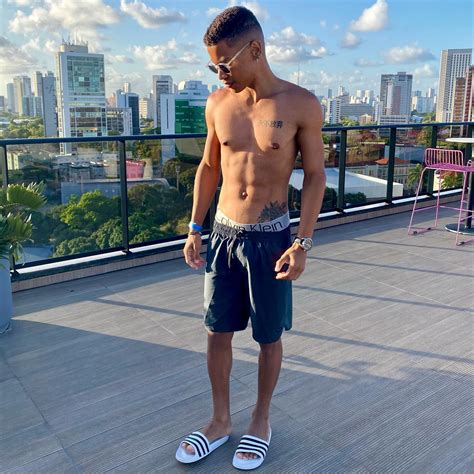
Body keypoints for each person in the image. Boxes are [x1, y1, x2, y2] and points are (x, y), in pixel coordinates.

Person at [175, 6, 326, 470]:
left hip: (272, 239)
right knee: (216, 331)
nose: (220, 74)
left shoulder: (300, 104)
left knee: (268, 336)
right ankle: (220, 421)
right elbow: (209, 167)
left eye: (224, 64)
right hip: (223, 235)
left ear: (255, 50)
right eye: (214, 67)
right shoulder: (218, 104)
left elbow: (316, 175)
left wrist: (302, 243)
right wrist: (194, 227)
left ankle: (260, 421)